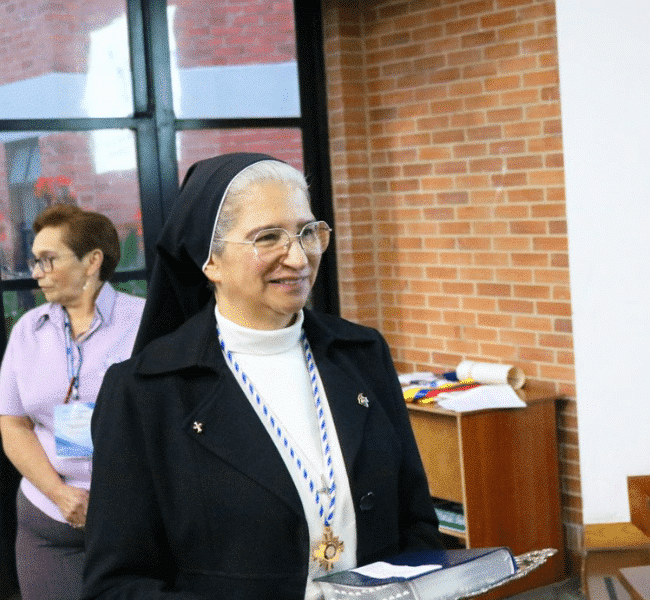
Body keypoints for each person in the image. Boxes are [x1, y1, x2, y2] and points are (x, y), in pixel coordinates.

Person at [81, 153, 441, 600]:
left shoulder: (363, 354)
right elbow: (115, 586)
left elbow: (416, 522)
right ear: (210, 261)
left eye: (307, 232)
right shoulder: (145, 392)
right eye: (268, 237)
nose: (299, 257)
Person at [0, 204, 145, 600]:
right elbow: (13, 424)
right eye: (35, 261)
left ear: (92, 262)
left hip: (133, 522)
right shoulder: (28, 330)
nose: (36, 272)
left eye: (48, 260)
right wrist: (60, 494)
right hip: (48, 522)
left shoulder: (144, 324)